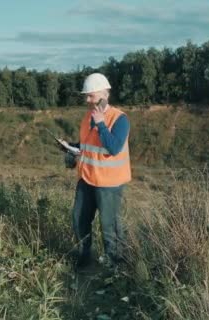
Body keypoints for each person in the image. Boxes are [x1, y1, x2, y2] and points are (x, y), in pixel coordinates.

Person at [60, 73, 131, 268]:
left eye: (91, 96)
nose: (88, 100)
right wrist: (70, 146)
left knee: (110, 227)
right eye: (87, 96)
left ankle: (116, 265)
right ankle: (84, 259)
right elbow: (87, 145)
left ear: (105, 94)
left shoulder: (119, 119)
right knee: (79, 220)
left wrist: (100, 123)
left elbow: (114, 148)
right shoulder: (87, 118)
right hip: (87, 179)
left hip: (109, 183)